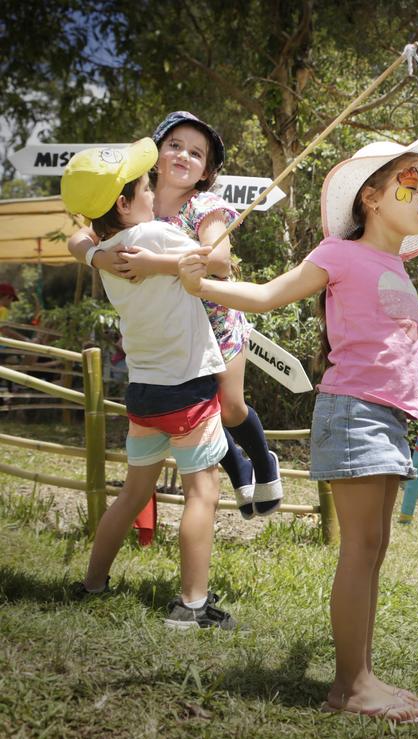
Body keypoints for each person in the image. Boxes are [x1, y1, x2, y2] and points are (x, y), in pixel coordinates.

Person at [178, 130, 418, 722]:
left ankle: (358, 673)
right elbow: (264, 295)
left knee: (375, 547)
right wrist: (200, 284)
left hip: (390, 418)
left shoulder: (395, 266)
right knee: (360, 548)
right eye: (411, 183)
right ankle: (350, 685)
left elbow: (382, 319)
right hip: (355, 412)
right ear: (371, 198)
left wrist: (416, 314)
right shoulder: (338, 253)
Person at [68, 112, 280, 520]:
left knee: (231, 406)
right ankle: (238, 468)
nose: (184, 155)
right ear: (157, 156)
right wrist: (99, 257)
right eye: (175, 146)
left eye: (196, 153)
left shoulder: (205, 205)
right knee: (202, 411)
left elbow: (218, 260)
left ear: (206, 171)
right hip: (174, 334)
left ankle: (263, 461)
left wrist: (153, 263)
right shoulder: (134, 202)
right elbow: (77, 239)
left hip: (216, 321)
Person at [61, 138, 234, 629]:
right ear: (123, 202)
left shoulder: (106, 251)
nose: (151, 192)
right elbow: (219, 263)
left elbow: (82, 242)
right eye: (143, 186)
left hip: (144, 395)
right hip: (189, 389)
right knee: (203, 493)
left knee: (134, 493)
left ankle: (92, 583)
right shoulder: (157, 235)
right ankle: (192, 607)